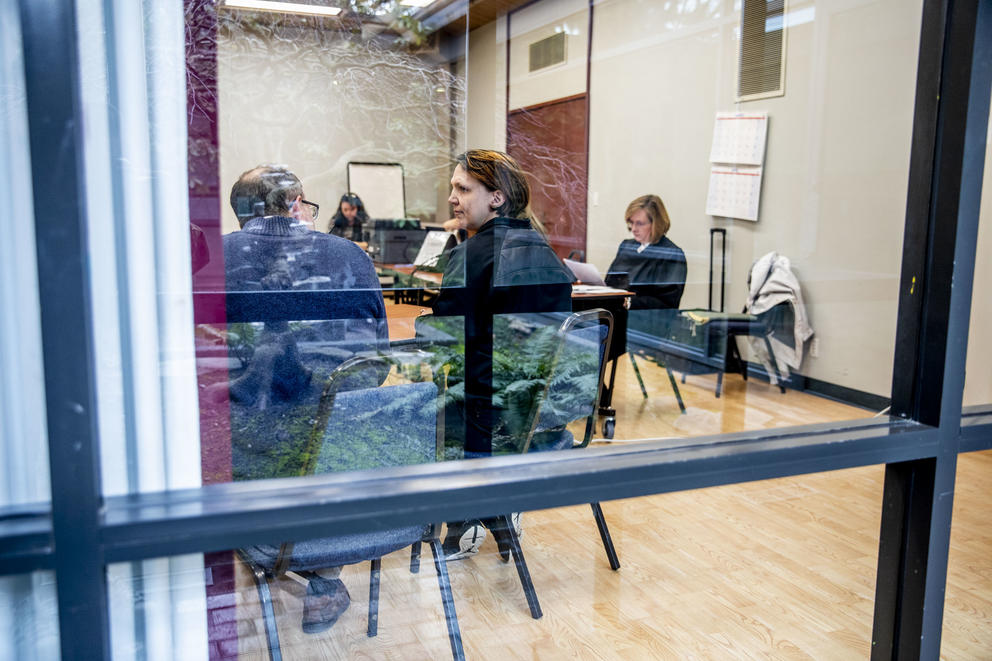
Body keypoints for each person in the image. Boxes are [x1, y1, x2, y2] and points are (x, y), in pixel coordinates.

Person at [223, 164, 387, 634]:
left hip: (244, 448)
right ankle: (324, 574)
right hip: (340, 446)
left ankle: (258, 548)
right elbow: (376, 357)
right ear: (296, 204)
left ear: (241, 214)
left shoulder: (214, 255)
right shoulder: (350, 254)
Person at [429, 149, 574, 560]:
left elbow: (445, 339)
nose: (453, 198)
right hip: (541, 416)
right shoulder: (545, 252)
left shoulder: (470, 256)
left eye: (463, 189)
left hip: (487, 420)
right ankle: (491, 506)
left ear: (496, 198)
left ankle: (465, 517)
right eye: (453, 188)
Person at [605, 194, 687, 311]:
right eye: (631, 223)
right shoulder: (627, 246)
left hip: (644, 322)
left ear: (656, 224)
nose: (633, 229)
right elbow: (609, 283)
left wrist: (628, 302)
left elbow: (666, 303)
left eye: (639, 223)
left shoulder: (671, 255)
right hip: (615, 314)